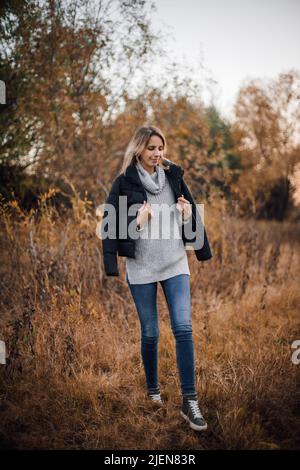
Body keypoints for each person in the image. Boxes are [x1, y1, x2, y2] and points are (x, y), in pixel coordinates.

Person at [101, 125, 212, 431]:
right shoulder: (124, 183)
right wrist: (137, 222)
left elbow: (190, 218)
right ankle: (153, 390)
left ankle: (190, 401)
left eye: (160, 147)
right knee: (150, 332)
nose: (157, 153)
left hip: (175, 263)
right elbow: (110, 226)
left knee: (183, 327)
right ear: (139, 149)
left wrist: (188, 217)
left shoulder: (174, 176)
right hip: (142, 269)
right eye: (151, 148)